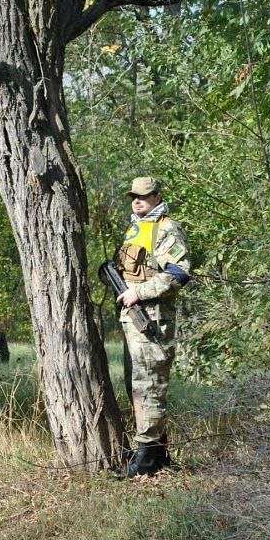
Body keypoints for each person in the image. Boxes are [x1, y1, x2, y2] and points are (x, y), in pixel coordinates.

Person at [115, 176, 190, 477]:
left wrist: (139, 292)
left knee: (149, 387)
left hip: (152, 322)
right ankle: (157, 456)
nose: (137, 200)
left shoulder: (166, 228)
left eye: (144, 195)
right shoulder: (136, 227)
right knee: (138, 387)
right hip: (133, 318)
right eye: (133, 195)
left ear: (158, 196)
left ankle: (145, 462)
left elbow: (180, 272)